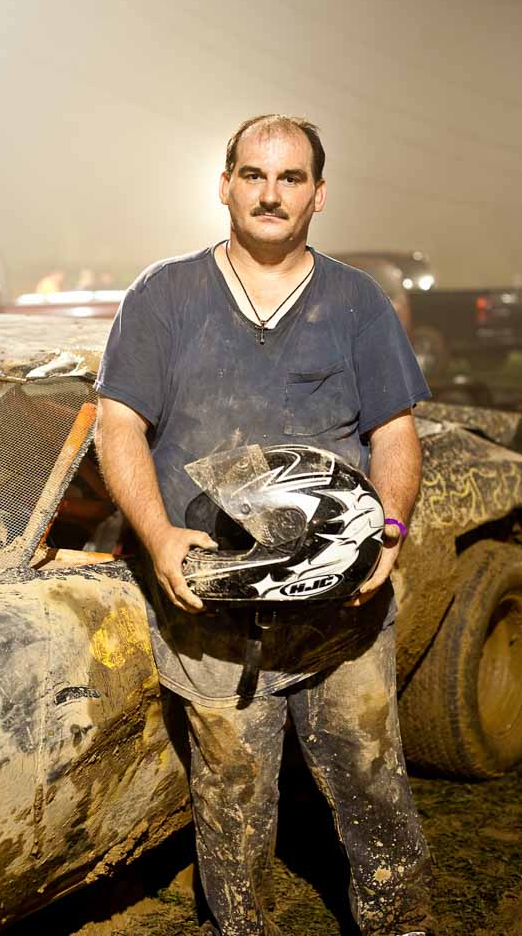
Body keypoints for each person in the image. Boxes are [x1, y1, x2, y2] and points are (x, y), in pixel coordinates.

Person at [94, 114, 434, 936]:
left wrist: (386, 529)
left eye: (289, 178)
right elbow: (117, 423)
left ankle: (400, 923)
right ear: (224, 186)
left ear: (318, 193)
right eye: (253, 175)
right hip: (214, 612)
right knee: (233, 802)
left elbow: (393, 432)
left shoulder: (355, 301)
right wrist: (159, 534)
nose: (270, 193)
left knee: (370, 778)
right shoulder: (164, 295)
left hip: (337, 610)